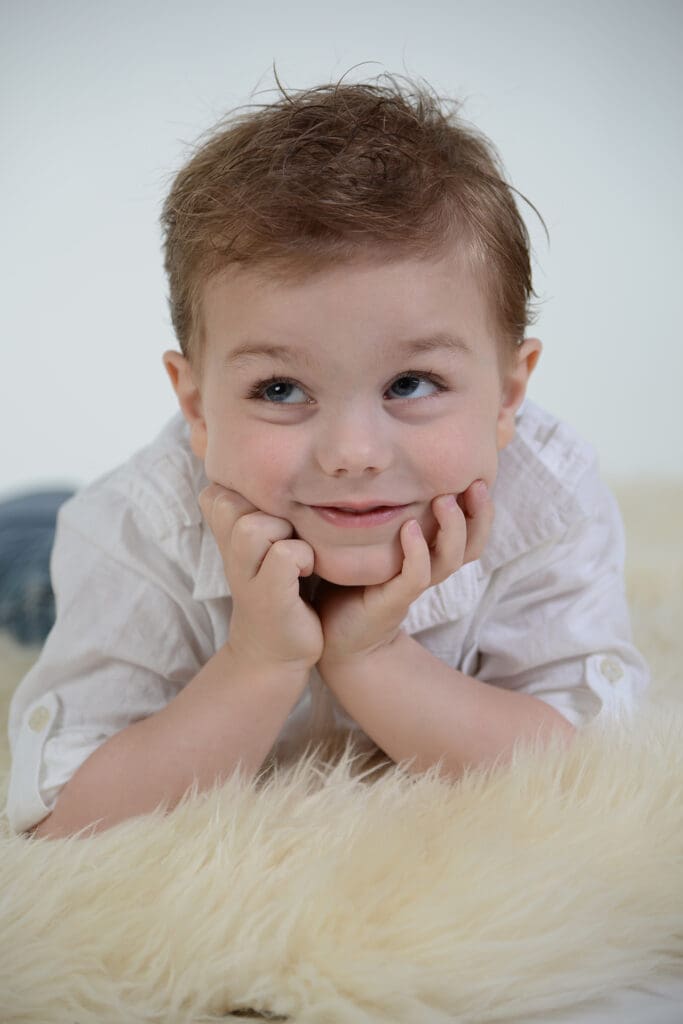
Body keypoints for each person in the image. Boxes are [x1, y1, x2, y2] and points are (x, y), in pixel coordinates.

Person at [6, 73, 649, 840]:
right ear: (196, 404)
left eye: (411, 383)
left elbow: (592, 771)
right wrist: (256, 660)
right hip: (48, 559)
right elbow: (57, 820)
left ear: (508, 396)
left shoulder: (549, 501)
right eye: (280, 388)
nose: (352, 454)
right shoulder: (130, 529)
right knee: (32, 575)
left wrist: (373, 656)